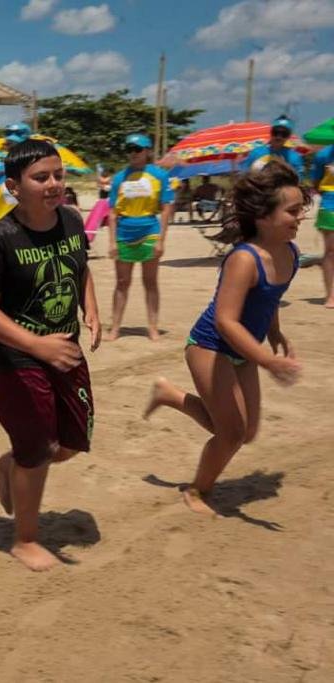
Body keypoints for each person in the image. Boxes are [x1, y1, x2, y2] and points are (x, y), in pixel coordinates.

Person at [0, 139, 101, 571]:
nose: (53, 184)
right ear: (14, 187)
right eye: (41, 177)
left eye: (58, 175)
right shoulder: (1, 239)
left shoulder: (72, 220)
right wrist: (36, 344)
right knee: (39, 449)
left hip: (64, 351)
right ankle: (24, 539)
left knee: (71, 443)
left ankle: (6, 464)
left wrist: (91, 308)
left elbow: (81, 267)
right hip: (13, 360)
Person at [144, 160, 305, 515]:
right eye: (292, 211)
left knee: (247, 431)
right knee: (231, 433)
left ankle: (169, 395)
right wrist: (267, 360)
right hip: (210, 346)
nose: (300, 217)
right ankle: (197, 490)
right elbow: (225, 321)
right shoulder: (244, 259)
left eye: (301, 209)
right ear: (263, 216)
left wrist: (275, 332)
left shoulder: (291, 254)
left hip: (244, 351)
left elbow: (269, 300)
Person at [106, 133, 174, 341]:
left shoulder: (159, 175)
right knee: (122, 282)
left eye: (138, 149)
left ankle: (152, 327)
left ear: (147, 151)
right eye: (130, 149)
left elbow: (166, 208)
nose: (133, 153)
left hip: (149, 230)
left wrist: (161, 240)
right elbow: (112, 213)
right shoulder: (119, 177)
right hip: (125, 231)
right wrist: (111, 241)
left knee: (150, 281)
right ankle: (115, 327)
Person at [0, 122, 32, 231]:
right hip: (2, 233)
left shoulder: (39, 172)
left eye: (18, 146)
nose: (13, 150)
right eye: (10, 145)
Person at [310, 143, 334, 307]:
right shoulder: (323, 155)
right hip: (330, 204)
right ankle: (331, 295)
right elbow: (316, 183)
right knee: (331, 251)